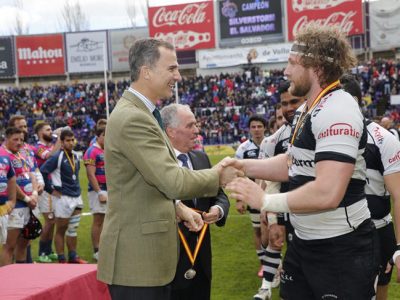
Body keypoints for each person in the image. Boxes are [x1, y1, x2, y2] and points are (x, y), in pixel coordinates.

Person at [226, 24, 379, 299]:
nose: (286, 71)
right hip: (304, 243)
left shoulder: (338, 109)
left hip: (341, 248)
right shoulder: (309, 108)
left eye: (292, 63)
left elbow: (328, 192)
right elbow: (292, 163)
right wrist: (243, 167)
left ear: (316, 67)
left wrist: (266, 201)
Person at [97, 38, 240, 300]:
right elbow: (171, 180)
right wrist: (218, 175)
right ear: (146, 71)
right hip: (137, 263)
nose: (178, 75)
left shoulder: (144, 113)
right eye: (172, 68)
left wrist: (179, 208)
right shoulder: (134, 117)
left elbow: (142, 184)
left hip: (146, 261)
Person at [161, 103, 230, 300]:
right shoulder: (157, 164)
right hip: (170, 259)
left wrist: (218, 209)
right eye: (190, 125)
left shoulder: (201, 158)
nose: (197, 130)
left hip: (201, 258)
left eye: (196, 125)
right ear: (171, 131)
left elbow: (219, 194)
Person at [341, 74, 400, 300]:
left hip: (378, 228)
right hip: (340, 228)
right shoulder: (324, 137)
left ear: (355, 101)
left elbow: (398, 195)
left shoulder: (384, 139)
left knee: (380, 289)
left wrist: (399, 246)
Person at [254, 82, 305, 300]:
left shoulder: (323, 129)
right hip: (290, 212)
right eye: (284, 103)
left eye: (294, 101)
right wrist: (273, 219)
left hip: (326, 214)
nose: (289, 107)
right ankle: (267, 285)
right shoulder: (273, 141)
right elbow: (270, 183)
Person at [40, 129, 87, 264]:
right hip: (63, 198)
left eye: (73, 140)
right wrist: (50, 189)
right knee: (61, 229)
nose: (71, 143)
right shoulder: (57, 157)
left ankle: (73, 256)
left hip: (77, 197)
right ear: (61, 142)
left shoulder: (76, 156)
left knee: (73, 229)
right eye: (68, 140)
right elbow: (43, 171)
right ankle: (62, 259)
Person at [235, 115, 267, 278]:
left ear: (265, 128)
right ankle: (263, 264)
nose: (256, 130)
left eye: (259, 126)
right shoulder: (243, 149)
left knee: (274, 229)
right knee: (258, 230)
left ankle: (276, 261)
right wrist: (240, 199)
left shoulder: (271, 144)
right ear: (249, 129)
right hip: (252, 197)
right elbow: (238, 174)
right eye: (253, 127)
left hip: (272, 194)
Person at [1, 127, 38, 265]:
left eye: (21, 140)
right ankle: (5, 279)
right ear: (7, 139)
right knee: (9, 246)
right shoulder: (3, 155)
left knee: (23, 244)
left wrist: (34, 193)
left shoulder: (21, 154)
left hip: (28, 205)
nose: (19, 143)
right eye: (15, 139)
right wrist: (27, 198)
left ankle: (21, 276)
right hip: (15, 206)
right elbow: (11, 183)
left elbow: (31, 173)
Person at [33, 122, 62, 262]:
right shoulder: (38, 147)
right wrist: (59, 139)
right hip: (44, 188)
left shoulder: (50, 145)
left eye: (51, 129)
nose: (51, 132)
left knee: (53, 221)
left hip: (53, 186)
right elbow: (49, 156)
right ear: (40, 133)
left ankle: (48, 250)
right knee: (49, 221)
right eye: (48, 130)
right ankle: (42, 252)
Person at [83, 125, 107, 262]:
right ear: (98, 136)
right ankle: (96, 249)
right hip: (99, 190)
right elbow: (90, 174)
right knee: (98, 220)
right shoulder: (92, 151)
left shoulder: (105, 150)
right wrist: (99, 192)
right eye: (105, 135)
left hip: (109, 189)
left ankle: (103, 247)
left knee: (106, 220)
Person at [0, 145, 17, 266]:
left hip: (2, 208)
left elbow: (11, 177)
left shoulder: (4, 155)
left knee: (3, 243)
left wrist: (12, 200)